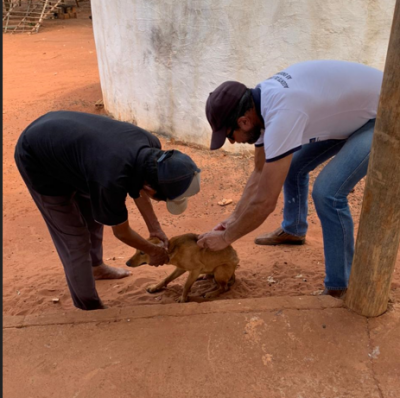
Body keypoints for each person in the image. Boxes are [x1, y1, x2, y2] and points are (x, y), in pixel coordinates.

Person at [198, 60, 383, 298]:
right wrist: (232, 219)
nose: (233, 142)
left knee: (328, 193)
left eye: (230, 135)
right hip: (355, 114)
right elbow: (259, 171)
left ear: (243, 121)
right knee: (292, 167)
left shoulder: (282, 114)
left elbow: (265, 201)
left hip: (385, 114)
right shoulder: (259, 103)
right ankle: (294, 229)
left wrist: (226, 238)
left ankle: (341, 286)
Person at [15, 111, 201, 310]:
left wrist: (154, 229)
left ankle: (96, 268)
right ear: (151, 189)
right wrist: (152, 251)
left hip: (74, 150)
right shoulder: (110, 179)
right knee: (75, 240)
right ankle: (89, 308)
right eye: (161, 198)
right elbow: (121, 232)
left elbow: (138, 186)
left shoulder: (151, 147)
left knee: (95, 218)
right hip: (38, 158)